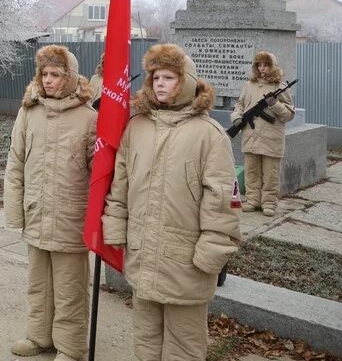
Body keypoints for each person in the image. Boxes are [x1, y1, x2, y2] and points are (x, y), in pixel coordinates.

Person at [102, 43, 241, 361]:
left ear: (187, 81)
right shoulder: (136, 127)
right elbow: (120, 186)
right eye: (155, 77)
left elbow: (222, 203)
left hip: (186, 264)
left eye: (169, 77)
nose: (160, 83)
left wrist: (210, 257)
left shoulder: (209, 135)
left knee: (184, 346)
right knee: (146, 339)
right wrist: (115, 230)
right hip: (143, 256)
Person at [4, 45, 97, 361]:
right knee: (39, 284)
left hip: (71, 218)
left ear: (69, 77)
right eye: (44, 74)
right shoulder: (28, 113)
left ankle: (70, 347)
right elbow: (15, 162)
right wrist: (16, 211)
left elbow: (99, 176)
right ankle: (40, 336)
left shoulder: (88, 118)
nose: (48, 80)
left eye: (56, 74)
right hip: (37, 212)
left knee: (70, 288)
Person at [231, 51, 295, 218]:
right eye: (259, 65)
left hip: (271, 138)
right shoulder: (249, 85)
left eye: (266, 65)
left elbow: (289, 114)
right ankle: (252, 200)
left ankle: (269, 202)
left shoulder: (280, 87)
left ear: (272, 66)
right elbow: (240, 104)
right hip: (251, 135)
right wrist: (237, 117)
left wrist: (275, 104)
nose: (262, 69)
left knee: (271, 173)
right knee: (251, 171)